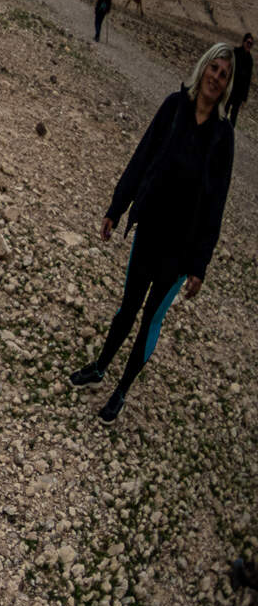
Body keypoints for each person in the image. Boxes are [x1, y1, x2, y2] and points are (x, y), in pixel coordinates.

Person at [68, 42, 235, 423]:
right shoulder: (173, 107)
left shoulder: (224, 136)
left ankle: (122, 390)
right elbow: (142, 157)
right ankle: (99, 367)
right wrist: (118, 206)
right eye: (214, 68)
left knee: (151, 317)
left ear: (227, 86)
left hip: (182, 247)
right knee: (129, 303)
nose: (216, 78)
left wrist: (200, 264)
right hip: (151, 228)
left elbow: (216, 202)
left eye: (224, 75)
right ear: (203, 67)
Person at [231, 32, 252, 128]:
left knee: (234, 115)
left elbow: (248, 80)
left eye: (251, 44)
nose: (249, 45)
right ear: (244, 42)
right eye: (248, 42)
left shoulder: (250, 60)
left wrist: (244, 97)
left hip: (239, 93)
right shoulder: (236, 52)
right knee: (224, 110)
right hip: (231, 88)